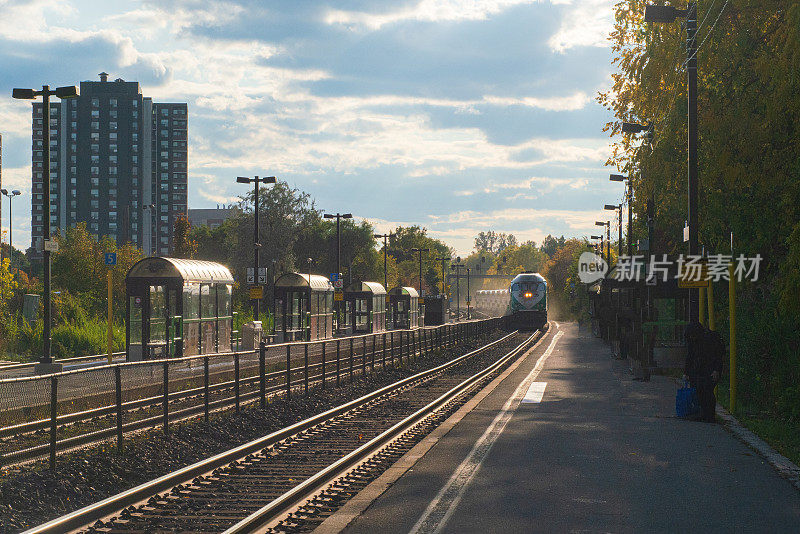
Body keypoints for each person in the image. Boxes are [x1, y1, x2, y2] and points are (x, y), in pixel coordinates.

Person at [684, 321, 725, 422]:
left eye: (692, 336)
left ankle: (709, 415)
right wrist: (686, 372)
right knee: (699, 390)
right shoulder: (692, 341)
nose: (691, 338)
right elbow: (689, 357)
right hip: (698, 370)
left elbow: (718, 356)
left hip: (710, 370)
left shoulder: (710, 339)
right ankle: (704, 413)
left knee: (707, 391)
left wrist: (717, 370)